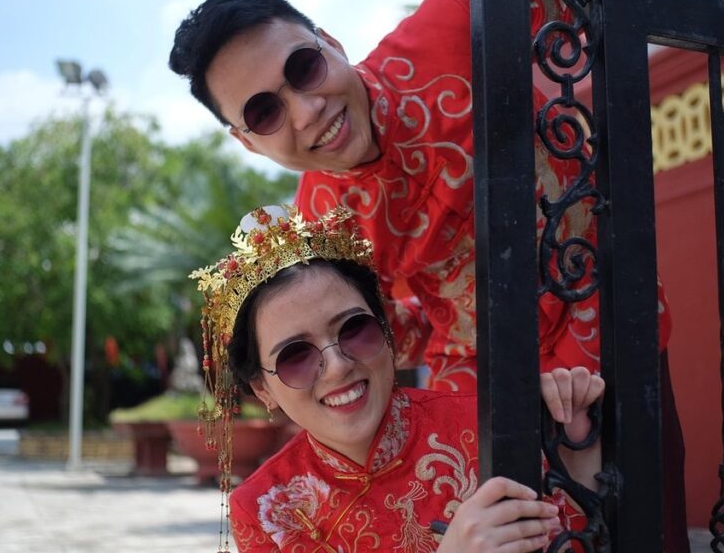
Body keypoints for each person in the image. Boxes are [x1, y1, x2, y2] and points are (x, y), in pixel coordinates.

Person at [170, 0, 688, 551]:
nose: (308, 109)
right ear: (247, 143)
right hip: (478, 389)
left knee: (647, 525)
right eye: (265, 112)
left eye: (304, 68)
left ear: (331, 44)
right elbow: (380, 337)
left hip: (608, 321)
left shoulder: (455, 24)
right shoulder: (322, 223)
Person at [193, 204, 606, 552]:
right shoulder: (263, 510)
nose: (337, 367)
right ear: (264, 389)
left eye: (354, 329)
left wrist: (578, 451)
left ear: (387, 333)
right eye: (296, 356)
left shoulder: (489, 425)